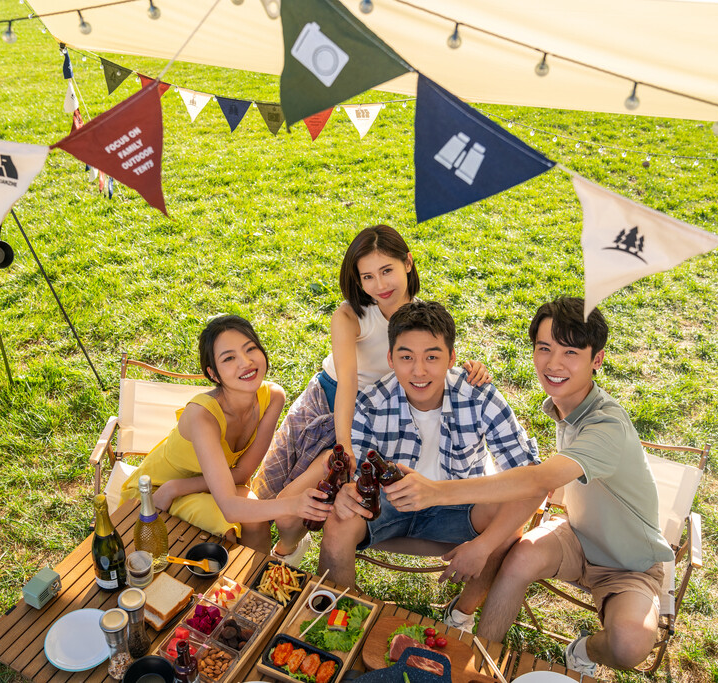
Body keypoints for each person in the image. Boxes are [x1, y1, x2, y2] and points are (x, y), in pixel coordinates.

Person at [392, 297, 673, 675]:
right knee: (519, 556)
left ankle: (583, 652)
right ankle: (477, 664)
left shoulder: (606, 426)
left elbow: (539, 478)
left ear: (598, 359)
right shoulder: (564, 404)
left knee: (628, 644)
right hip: (576, 537)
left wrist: (438, 491)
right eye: (544, 349)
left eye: (570, 352)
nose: (553, 364)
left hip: (630, 564)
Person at [251, 226, 489, 562]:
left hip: (375, 418)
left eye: (387, 270)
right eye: (368, 277)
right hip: (328, 402)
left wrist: (470, 368)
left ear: (408, 263)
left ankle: (289, 551)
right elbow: (347, 382)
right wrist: (343, 446)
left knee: (304, 501)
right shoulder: (351, 315)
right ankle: (286, 552)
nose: (380, 285)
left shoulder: (423, 315)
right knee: (274, 505)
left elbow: (433, 364)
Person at [317, 301, 540, 632]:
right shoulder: (369, 404)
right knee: (338, 521)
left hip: (456, 505)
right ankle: (345, 619)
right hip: (388, 507)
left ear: (451, 358)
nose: (419, 371)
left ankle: (461, 614)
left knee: (507, 524)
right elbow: (354, 478)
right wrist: (347, 495)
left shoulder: (478, 395)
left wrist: (483, 546)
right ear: (390, 359)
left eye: (432, 357)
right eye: (406, 357)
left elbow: (532, 480)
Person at [121, 315, 332, 555]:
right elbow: (230, 508)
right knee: (229, 525)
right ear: (213, 374)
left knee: (255, 519)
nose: (245, 362)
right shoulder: (203, 416)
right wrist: (293, 504)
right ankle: (225, 586)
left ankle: (255, 585)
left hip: (200, 486)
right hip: (153, 493)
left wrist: (177, 487)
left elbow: (242, 473)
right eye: (229, 358)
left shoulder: (273, 397)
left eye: (250, 348)